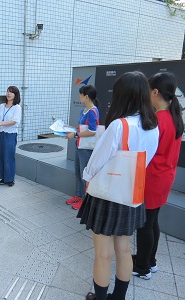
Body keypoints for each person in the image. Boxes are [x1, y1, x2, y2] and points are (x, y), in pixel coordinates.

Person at [77, 71, 159, 300]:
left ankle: (100, 298)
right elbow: (146, 160)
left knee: (103, 254)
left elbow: (95, 163)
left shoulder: (119, 126)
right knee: (123, 249)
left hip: (107, 195)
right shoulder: (153, 125)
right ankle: (118, 297)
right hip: (131, 193)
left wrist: (87, 178)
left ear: (123, 95)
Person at [132, 72, 184, 280]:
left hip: (152, 178)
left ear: (155, 92)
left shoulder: (157, 120)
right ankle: (150, 261)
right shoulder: (175, 117)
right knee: (152, 222)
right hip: (165, 177)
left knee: (145, 225)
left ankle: (143, 267)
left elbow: (145, 151)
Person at [65, 85, 100, 210]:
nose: (79, 97)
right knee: (78, 173)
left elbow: (92, 131)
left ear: (86, 96)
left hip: (86, 148)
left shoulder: (92, 111)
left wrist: (75, 134)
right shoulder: (84, 110)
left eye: (81, 94)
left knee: (84, 174)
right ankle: (78, 196)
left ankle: (85, 201)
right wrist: (69, 128)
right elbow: (81, 128)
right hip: (79, 145)